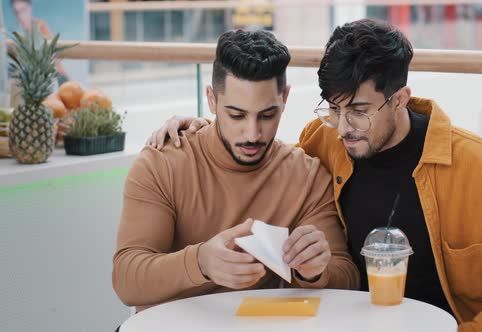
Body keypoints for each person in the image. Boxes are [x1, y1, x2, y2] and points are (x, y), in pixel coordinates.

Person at [148, 19, 482, 330]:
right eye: (334, 109)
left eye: (359, 111)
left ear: (400, 100)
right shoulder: (323, 144)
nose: (343, 128)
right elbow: (264, 162)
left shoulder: (481, 167)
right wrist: (204, 128)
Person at [113, 29, 359, 313]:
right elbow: (126, 280)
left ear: (285, 98)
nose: (252, 134)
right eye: (236, 115)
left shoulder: (307, 176)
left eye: (267, 115)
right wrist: (200, 262)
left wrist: (315, 272)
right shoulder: (162, 163)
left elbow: (347, 277)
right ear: (212, 100)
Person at [10, 0, 69, 84]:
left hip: (54, 76)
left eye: (23, 10)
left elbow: (53, 54)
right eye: (17, 12)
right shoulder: (19, 32)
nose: (20, 16)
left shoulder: (40, 26)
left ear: (30, 8)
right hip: (32, 81)